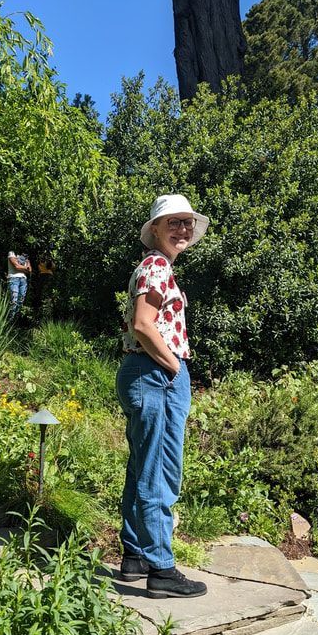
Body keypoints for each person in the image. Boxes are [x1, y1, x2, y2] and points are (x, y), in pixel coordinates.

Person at [116, 194, 209, 598]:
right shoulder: (156, 265)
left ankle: (135, 555)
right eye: (173, 222)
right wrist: (173, 367)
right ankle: (162, 570)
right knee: (160, 473)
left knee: (141, 468)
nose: (183, 229)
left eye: (187, 223)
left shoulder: (154, 268)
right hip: (156, 374)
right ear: (155, 229)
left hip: (145, 372)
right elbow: (142, 324)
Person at [7, 250, 32, 318]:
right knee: (14, 301)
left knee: (20, 301)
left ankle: (15, 321)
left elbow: (29, 270)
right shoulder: (12, 253)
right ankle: (10, 321)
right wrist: (25, 268)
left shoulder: (26, 258)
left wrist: (22, 267)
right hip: (13, 279)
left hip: (23, 280)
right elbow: (16, 266)